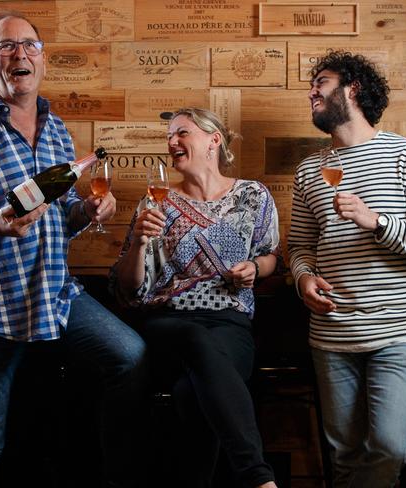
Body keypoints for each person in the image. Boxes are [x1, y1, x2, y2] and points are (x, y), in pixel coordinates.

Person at [0, 12, 147, 488]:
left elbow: (55, 220)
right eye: (6, 46)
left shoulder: (56, 131)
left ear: (42, 58)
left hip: (52, 297)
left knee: (129, 355)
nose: (20, 54)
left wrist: (89, 211)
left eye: (30, 45)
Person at [287, 50, 406, 487]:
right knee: (343, 455)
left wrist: (375, 220)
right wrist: (303, 276)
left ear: (353, 89)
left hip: (399, 329)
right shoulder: (310, 170)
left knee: (389, 446)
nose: (311, 92)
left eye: (321, 82)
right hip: (331, 332)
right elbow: (300, 247)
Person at [110, 108, 280, 488]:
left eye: (181, 133)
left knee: (193, 395)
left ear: (213, 139)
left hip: (230, 323)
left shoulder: (253, 195)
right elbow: (129, 290)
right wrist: (138, 243)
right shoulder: (156, 203)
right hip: (168, 323)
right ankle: (259, 478)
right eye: (169, 136)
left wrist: (256, 268)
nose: (172, 142)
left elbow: (271, 255)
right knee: (194, 339)